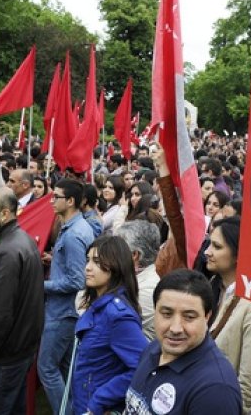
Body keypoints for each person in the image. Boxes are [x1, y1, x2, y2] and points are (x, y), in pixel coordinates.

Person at [124, 269, 242, 414]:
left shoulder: (215, 391)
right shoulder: (155, 348)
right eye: (167, 314)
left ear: (207, 317)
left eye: (189, 317)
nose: (175, 328)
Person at [0, 187, 44, 414]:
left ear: (4, 214)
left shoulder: (8, 252)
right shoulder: (19, 241)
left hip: (3, 357)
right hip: (17, 351)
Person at [206, 217, 251, 414]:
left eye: (217, 246)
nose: (207, 252)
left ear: (239, 254)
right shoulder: (214, 286)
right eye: (209, 244)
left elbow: (248, 388)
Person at [72, 235, 148, 415]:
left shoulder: (118, 316)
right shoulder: (101, 304)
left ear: (116, 266)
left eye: (97, 262)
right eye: (88, 260)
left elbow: (141, 367)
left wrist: (99, 400)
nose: (88, 267)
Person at [38, 178, 95, 415]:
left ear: (70, 201)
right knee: (63, 369)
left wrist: (41, 285)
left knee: (47, 369)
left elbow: (77, 281)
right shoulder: (74, 227)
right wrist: (55, 260)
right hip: (67, 311)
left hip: (63, 312)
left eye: (56, 197)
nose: (52, 201)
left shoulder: (73, 235)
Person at [115, 220, 161, 340]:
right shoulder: (131, 277)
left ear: (134, 255)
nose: (111, 254)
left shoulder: (147, 289)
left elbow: (111, 323)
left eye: (117, 249)